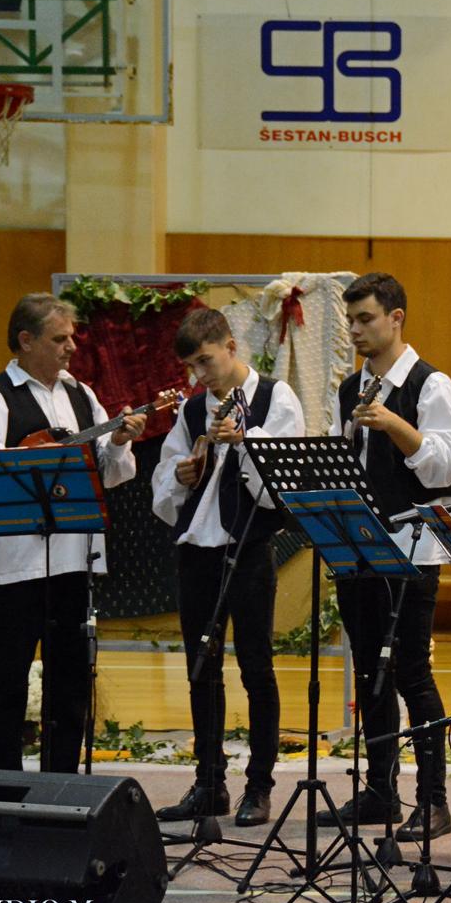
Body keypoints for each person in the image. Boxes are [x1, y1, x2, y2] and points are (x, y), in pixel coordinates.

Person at [0, 293, 145, 774]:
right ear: (25, 341)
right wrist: (25, 458)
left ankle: (61, 781)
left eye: (72, 337)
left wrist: (116, 442)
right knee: (8, 677)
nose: (71, 347)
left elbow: (109, 474)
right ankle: (4, 783)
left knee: (70, 680)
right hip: (16, 564)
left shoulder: (82, 395)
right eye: (59, 338)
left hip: (74, 559)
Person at [314, 272, 451, 843]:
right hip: (358, 545)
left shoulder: (431, 385)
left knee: (411, 673)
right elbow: (342, 458)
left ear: (396, 318)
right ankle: (381, 790)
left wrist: (397, 427)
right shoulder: (350, 387)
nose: (355, 330)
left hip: (411, 549)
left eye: (366, 319)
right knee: (371, 673)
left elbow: (447, 468)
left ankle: (435, 801)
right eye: (350, 321)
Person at [152, 308, 304, 828]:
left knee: (256, 668)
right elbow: (166, 485)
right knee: (202, 668)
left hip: (248, 549)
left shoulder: (274, 398)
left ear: (231, 346)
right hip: (197, 551)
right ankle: (209, 783)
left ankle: (258, 787)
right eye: (192, 367)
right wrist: (182, 471)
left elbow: (281, 484)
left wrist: (245, 441)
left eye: (206, 361)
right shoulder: (194, 410)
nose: (200, 375)